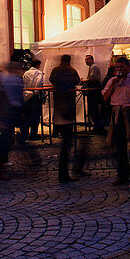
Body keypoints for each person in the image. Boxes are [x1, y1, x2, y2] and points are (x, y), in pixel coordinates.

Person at [102, 56, 130, 185]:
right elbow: (105, 97)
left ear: (128, 67)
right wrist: (113, 84)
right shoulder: (112, 81)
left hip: (129, 114)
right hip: (117, 114)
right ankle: (122, 174)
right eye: (117, 67)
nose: (119, 69)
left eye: (121, 67)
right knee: (119, 145)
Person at [49, 54, 86, 182]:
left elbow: (51, 79)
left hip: (59, 109)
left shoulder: (56, 70)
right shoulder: (71, 71)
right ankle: (64, 173)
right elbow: (77, 81)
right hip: (68, 109)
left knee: (65, 145)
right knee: (66, 144)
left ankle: (63, 173)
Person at [22, 58, 45, 140]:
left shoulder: (26, 73)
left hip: (26, 95)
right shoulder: (39, 73)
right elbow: (38, 83)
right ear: (38, 65)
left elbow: (24, 83)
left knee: (27, 115)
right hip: (34, 96)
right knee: (35, 116)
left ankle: (25, 133)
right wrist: (36, 92)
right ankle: (33, 134)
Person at [82, 54, 104, 134]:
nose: (86, 61)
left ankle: (98, 127)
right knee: (93, 109)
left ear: (92, 59)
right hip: (92, 91)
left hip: (94, 91)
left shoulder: (94, 67)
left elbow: (92, 78)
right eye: (85, 59)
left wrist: (84, 81)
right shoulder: (91, 67)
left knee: (94, 109)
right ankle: (97, 126)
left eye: (88, 59)